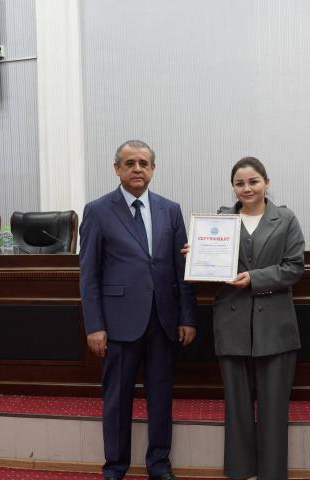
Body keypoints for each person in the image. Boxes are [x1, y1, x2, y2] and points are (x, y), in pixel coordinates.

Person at [79, 140, 197, 480]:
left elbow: (181, 269)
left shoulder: (170, 210)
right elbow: (89, 274)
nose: (137, 169)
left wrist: (187, 317)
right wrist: (94, 325)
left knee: (161, 397)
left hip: (163, 321)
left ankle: (159, 464)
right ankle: (115, 467)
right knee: (117, 400)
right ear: (116, 168)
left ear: (153, 169)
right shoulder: (98, 211)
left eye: (144, 163)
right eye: (129, 163)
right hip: (118, 324)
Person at [213, 157, 305, 480]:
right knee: (236, 405)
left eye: (253, 181)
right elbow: (212, 267)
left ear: (266, 183)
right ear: (233, 188)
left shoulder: (286, 218)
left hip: (275, 323)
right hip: (232, 320)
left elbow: (294, 268)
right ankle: (240, 471)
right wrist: (198, 256)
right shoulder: (221, 220)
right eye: (239, 183)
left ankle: (271, 473)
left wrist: (254, 278)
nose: (247, 188)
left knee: (274, 406)